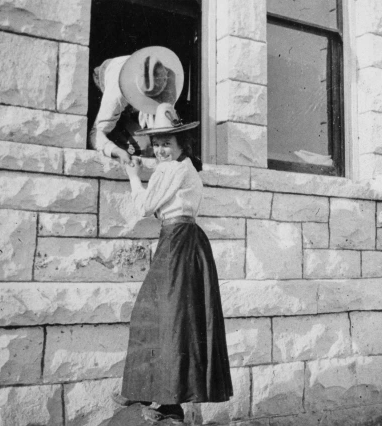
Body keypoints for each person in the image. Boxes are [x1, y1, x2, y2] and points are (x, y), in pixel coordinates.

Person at [109, 53, 233, 425]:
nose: (160, 149)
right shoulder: (181, 170)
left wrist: (132, 174)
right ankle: (157, 393)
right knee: (165, 316)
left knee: (167, 316)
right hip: (181, 241)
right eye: (157, 143)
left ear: (182, 144)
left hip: (179, 242)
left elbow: (144, 207)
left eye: (168, 142)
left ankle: (166, 400)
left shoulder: (173, 170)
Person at [90, 46, 184, 166]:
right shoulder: (116, 94)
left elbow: (164, 128)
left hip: (132, 100)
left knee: (148, 146)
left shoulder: (163, 81)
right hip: (104, 80)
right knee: (141, 146)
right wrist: (115, 151)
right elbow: (96, 133)